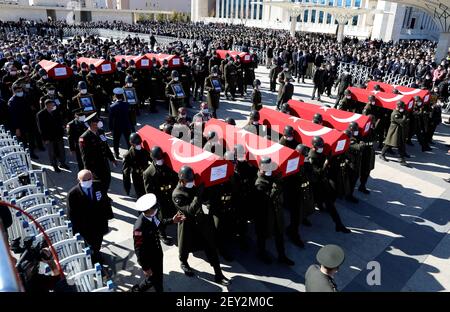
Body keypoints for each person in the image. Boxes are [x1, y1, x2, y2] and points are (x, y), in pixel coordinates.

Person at [172, 166, 230, 285]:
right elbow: (190, 210)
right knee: (185, 246)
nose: (191, 183)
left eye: (192, 180)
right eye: (188, 181)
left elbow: (204, 199)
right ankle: (183, 262)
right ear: (181, 181)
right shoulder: (177, 194)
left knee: (210, 246)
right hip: (187, 223)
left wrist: (205, 189)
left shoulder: (193, 185)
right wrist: (198, 194)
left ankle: (218, 274)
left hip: (201, 221)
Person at [131, 193, 185, 292]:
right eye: (155, 207)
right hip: (149, 258)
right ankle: (136, 290)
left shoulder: (152, 216)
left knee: (157, 277)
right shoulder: (139, 228)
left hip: (157, 254)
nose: (157, 209)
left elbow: (159, 224)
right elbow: (139, 249)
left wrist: (172, 220)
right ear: (148, 210)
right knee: (152, 279)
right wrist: (145, 267)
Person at [253, 157, 295, 265]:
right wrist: (275, 187)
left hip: (276, 212)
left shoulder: (272, 176)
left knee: (279, 234)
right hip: (265, 214)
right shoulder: (259, 182)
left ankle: (282, 255)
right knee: (262, 236)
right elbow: (266, 199)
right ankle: (261, 253)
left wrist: (279, 181)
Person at [67, 169, 112, 265]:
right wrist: (74, 229)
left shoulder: (98, 186)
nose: (88, 181)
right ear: (79, 180)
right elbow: (71, 214)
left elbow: (105, 201)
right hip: (85, 226)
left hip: (99, 222)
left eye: (89, 178)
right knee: (91, 243)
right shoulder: (73, 194)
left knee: (99, 240)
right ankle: (94, 256)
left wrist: (109, 215)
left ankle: (96, 252)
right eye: (84, 180)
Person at [309, 136, 351, 233]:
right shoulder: (312, 157)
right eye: (320, 146)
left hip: (323, 184)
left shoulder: (321, 153)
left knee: (330, 205)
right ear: (314, 147)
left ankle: (339, 225)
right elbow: (318, 172)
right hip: (316, 186)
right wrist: (326, 162)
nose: (322, 148)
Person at [143, 146, 178, 245]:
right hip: (159, 198)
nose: (160, 160)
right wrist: (154, 203)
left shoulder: (168, 166)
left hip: (170, 195)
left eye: (161, 158)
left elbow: (174, 179)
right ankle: (162, 234)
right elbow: (149, 190)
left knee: (172, 212)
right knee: (160, 217)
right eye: (158, 159)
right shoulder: (148, 173)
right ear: (153, 159)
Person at [79, 112, 118, 193]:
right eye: (96, 122)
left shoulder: (100, 132)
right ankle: (102, 196)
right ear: (91, 124)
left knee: (107, 179)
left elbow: (105, 146)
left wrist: (112, 159)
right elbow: (84, 156)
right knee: (99, 183)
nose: (98, 123)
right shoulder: (84, 137)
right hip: (95, 165)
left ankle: (104, 194)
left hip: (104, 162)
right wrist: (88, 171)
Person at [36, 99, 68, 172]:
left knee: (61, 150)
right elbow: (41, 128)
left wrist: (62, 132)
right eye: (52, 105)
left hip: (58, 135)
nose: (53, 106)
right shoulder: (40, 114)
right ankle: (54, 165)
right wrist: (45, 138)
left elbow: (60, 122)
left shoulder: (56, 111)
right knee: (51, 152)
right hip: (49, 137)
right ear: (47, 105)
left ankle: (62, 163)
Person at [379, 101, 410, 167]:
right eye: (402, 107)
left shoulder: (399, 112)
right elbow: (401, 121)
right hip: (394, 130)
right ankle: (382, 154)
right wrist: (404, 116)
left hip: (399, 130)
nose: (403, 108)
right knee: (389, 143)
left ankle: (401, 159)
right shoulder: (395, 114)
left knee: (400, 144)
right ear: (398, 107)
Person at [122, 133, 152, 199]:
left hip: (147, 176)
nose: (139, 145)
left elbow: (152, 160)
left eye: (139, 143)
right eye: (137, 143)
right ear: (132, 144)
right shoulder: (128, 155)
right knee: (141, 197)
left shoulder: (144, 151)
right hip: (137, 178)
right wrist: (127, 187)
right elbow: (126, 173)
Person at [109, 87, 132, 159]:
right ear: (122, 95)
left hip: (117, 126)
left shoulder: (112, 106)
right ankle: (130, 153)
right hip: (126, 125)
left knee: (116, 141)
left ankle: (116, 154)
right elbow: (130, 116)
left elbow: (110, 119)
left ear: (115, 96)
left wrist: (110, 128)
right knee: (128, 141)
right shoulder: (127, 104)